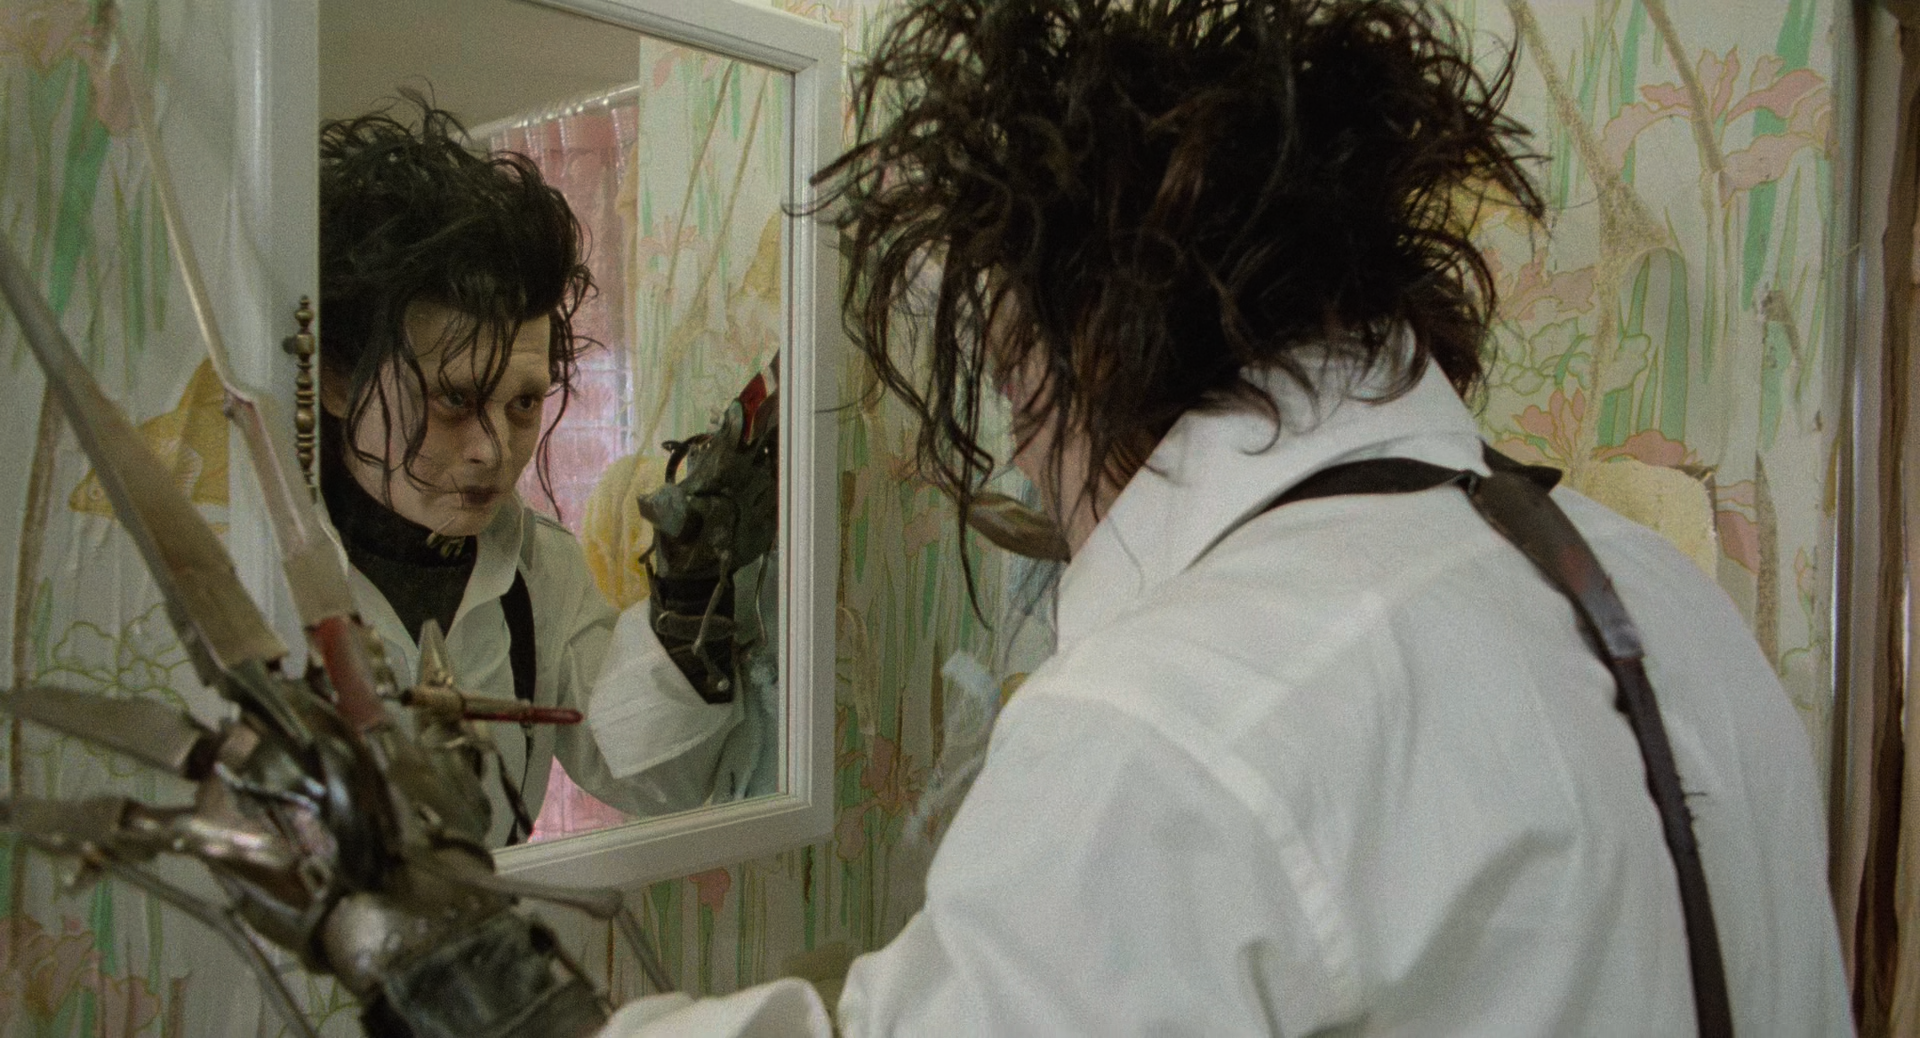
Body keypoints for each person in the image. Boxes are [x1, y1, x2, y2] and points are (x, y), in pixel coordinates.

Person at [608, 0, 1849, 1033]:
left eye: (1009, 380)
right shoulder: (1669, 603)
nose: (1024, 456)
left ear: (1081, 350)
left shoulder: (1171, 723)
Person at [317, 101, 770, 846]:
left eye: (524, 403)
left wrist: (692, 597)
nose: (494, 450)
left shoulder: (540, 571)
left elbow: (657, 778)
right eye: (455, 399)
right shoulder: (256, 567)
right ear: (339, 381)